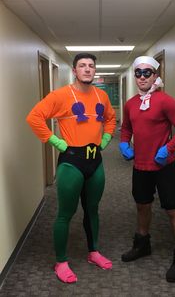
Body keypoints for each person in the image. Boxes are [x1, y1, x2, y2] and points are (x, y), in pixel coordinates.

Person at [26, 53, 116, 283]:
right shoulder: (61, 95)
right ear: (75, 71)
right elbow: (35, 117)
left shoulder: (102, 95)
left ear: (95, 70)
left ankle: (93, 251)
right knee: (66, 213)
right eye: (82, 66)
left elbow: (110, 119)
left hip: (95, 161)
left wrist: (106, 139)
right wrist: (55, 141)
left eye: (91, 66)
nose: (87, 69)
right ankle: (61, 261)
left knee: (93, 209)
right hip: (72, 161)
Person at [119, 56, 175, 282]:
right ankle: (142, 245)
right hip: (140, 166)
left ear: (155, 75)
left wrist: (168, 149)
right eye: (138, 73)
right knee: (142, 206)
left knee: (172, 210)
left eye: (146, 73)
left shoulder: (165, 101)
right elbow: (126, 128)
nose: (142, 77)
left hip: (163, 166)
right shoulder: (130, 103)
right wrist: (124, 143)